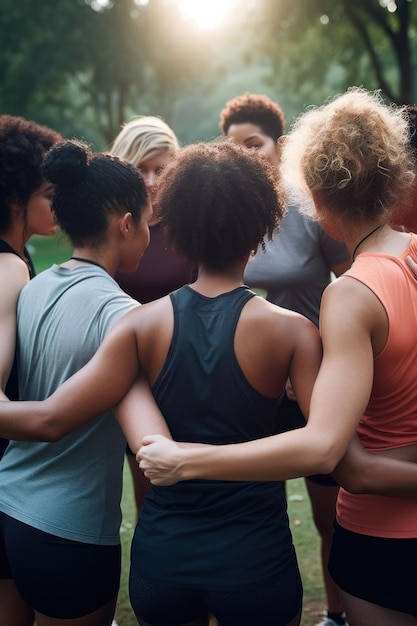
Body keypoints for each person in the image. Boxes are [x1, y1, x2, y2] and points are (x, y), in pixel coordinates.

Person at [0, 139, 322, 626]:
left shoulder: (132, 323)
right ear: (261, 230)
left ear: (178, 229)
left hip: (159, 556)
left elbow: (137, 439)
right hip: (254, 557)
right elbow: (321, 444)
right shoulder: (294, 332)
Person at [139, 88, 417, 626]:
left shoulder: (351, 294)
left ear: (312, 190)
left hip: (382, 534)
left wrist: (186, 459)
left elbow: (337, 459)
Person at [0, 139, 170, 626]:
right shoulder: (124, 316)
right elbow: (56, 418)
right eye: (148, 221)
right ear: (125, 224)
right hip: (69, 531)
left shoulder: (36, 285)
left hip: (10, 503)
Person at [219, 92, 351, 626]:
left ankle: (337, 613)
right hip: (253, 383)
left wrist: (333, 358)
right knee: (253, 509)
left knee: (331, 511)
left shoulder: (309, 210)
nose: (247, 155)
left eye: (256, 143)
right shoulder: (226, 215)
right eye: (235, 147)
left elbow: (349, 281)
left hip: (317, 377)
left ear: (280, 145)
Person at [110, 115, 197, 520]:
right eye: (138, 169)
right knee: (152, 502)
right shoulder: (110, 232)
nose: (149, 181)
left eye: (160, 169)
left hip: (195, 375)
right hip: (132, 382)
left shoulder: (192, 226)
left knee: (201, 493)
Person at [0, 115, 62, 465]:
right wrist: (46, 425)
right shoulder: (9, 267)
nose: (60, 204)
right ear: (14, 200)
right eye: (49, 195)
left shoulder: (18, 257)